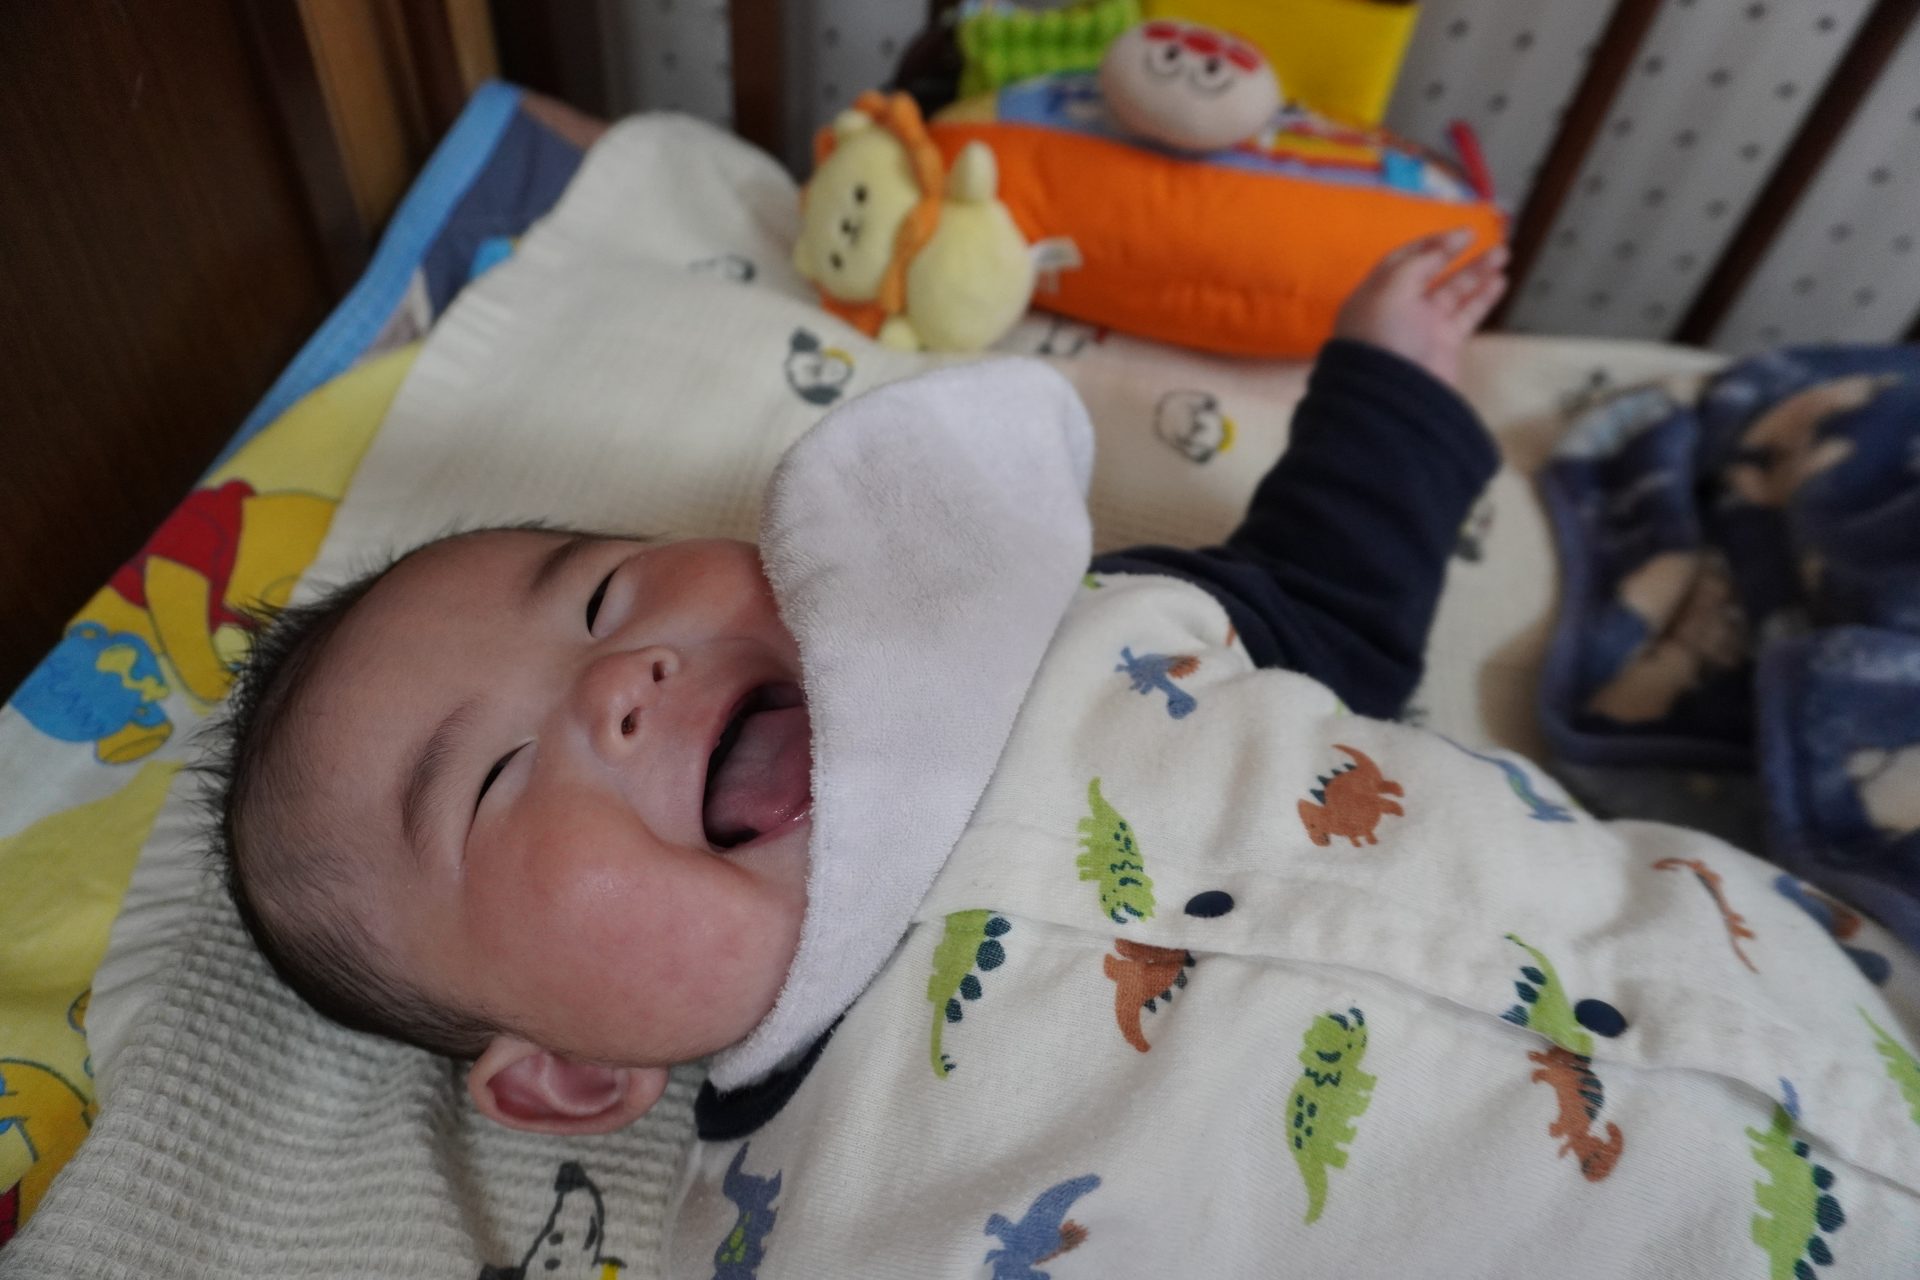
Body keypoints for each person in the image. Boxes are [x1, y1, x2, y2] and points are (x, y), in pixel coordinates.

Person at [216, 231, 1920, 1274]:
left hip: (1833, 978)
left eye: (599, 593)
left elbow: (1334, 587)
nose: (619, 679)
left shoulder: (1067, 630)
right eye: (493, 780)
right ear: (570, 1083)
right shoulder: (818, 1228)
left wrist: (1393, 383)